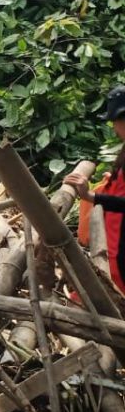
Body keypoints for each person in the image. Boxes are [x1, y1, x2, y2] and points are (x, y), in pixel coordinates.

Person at [65, 85, 125, 294]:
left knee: (109, 292)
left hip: (120, 245)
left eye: (115, 122)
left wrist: (91, 195)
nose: (114, 129)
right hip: (113, 240)